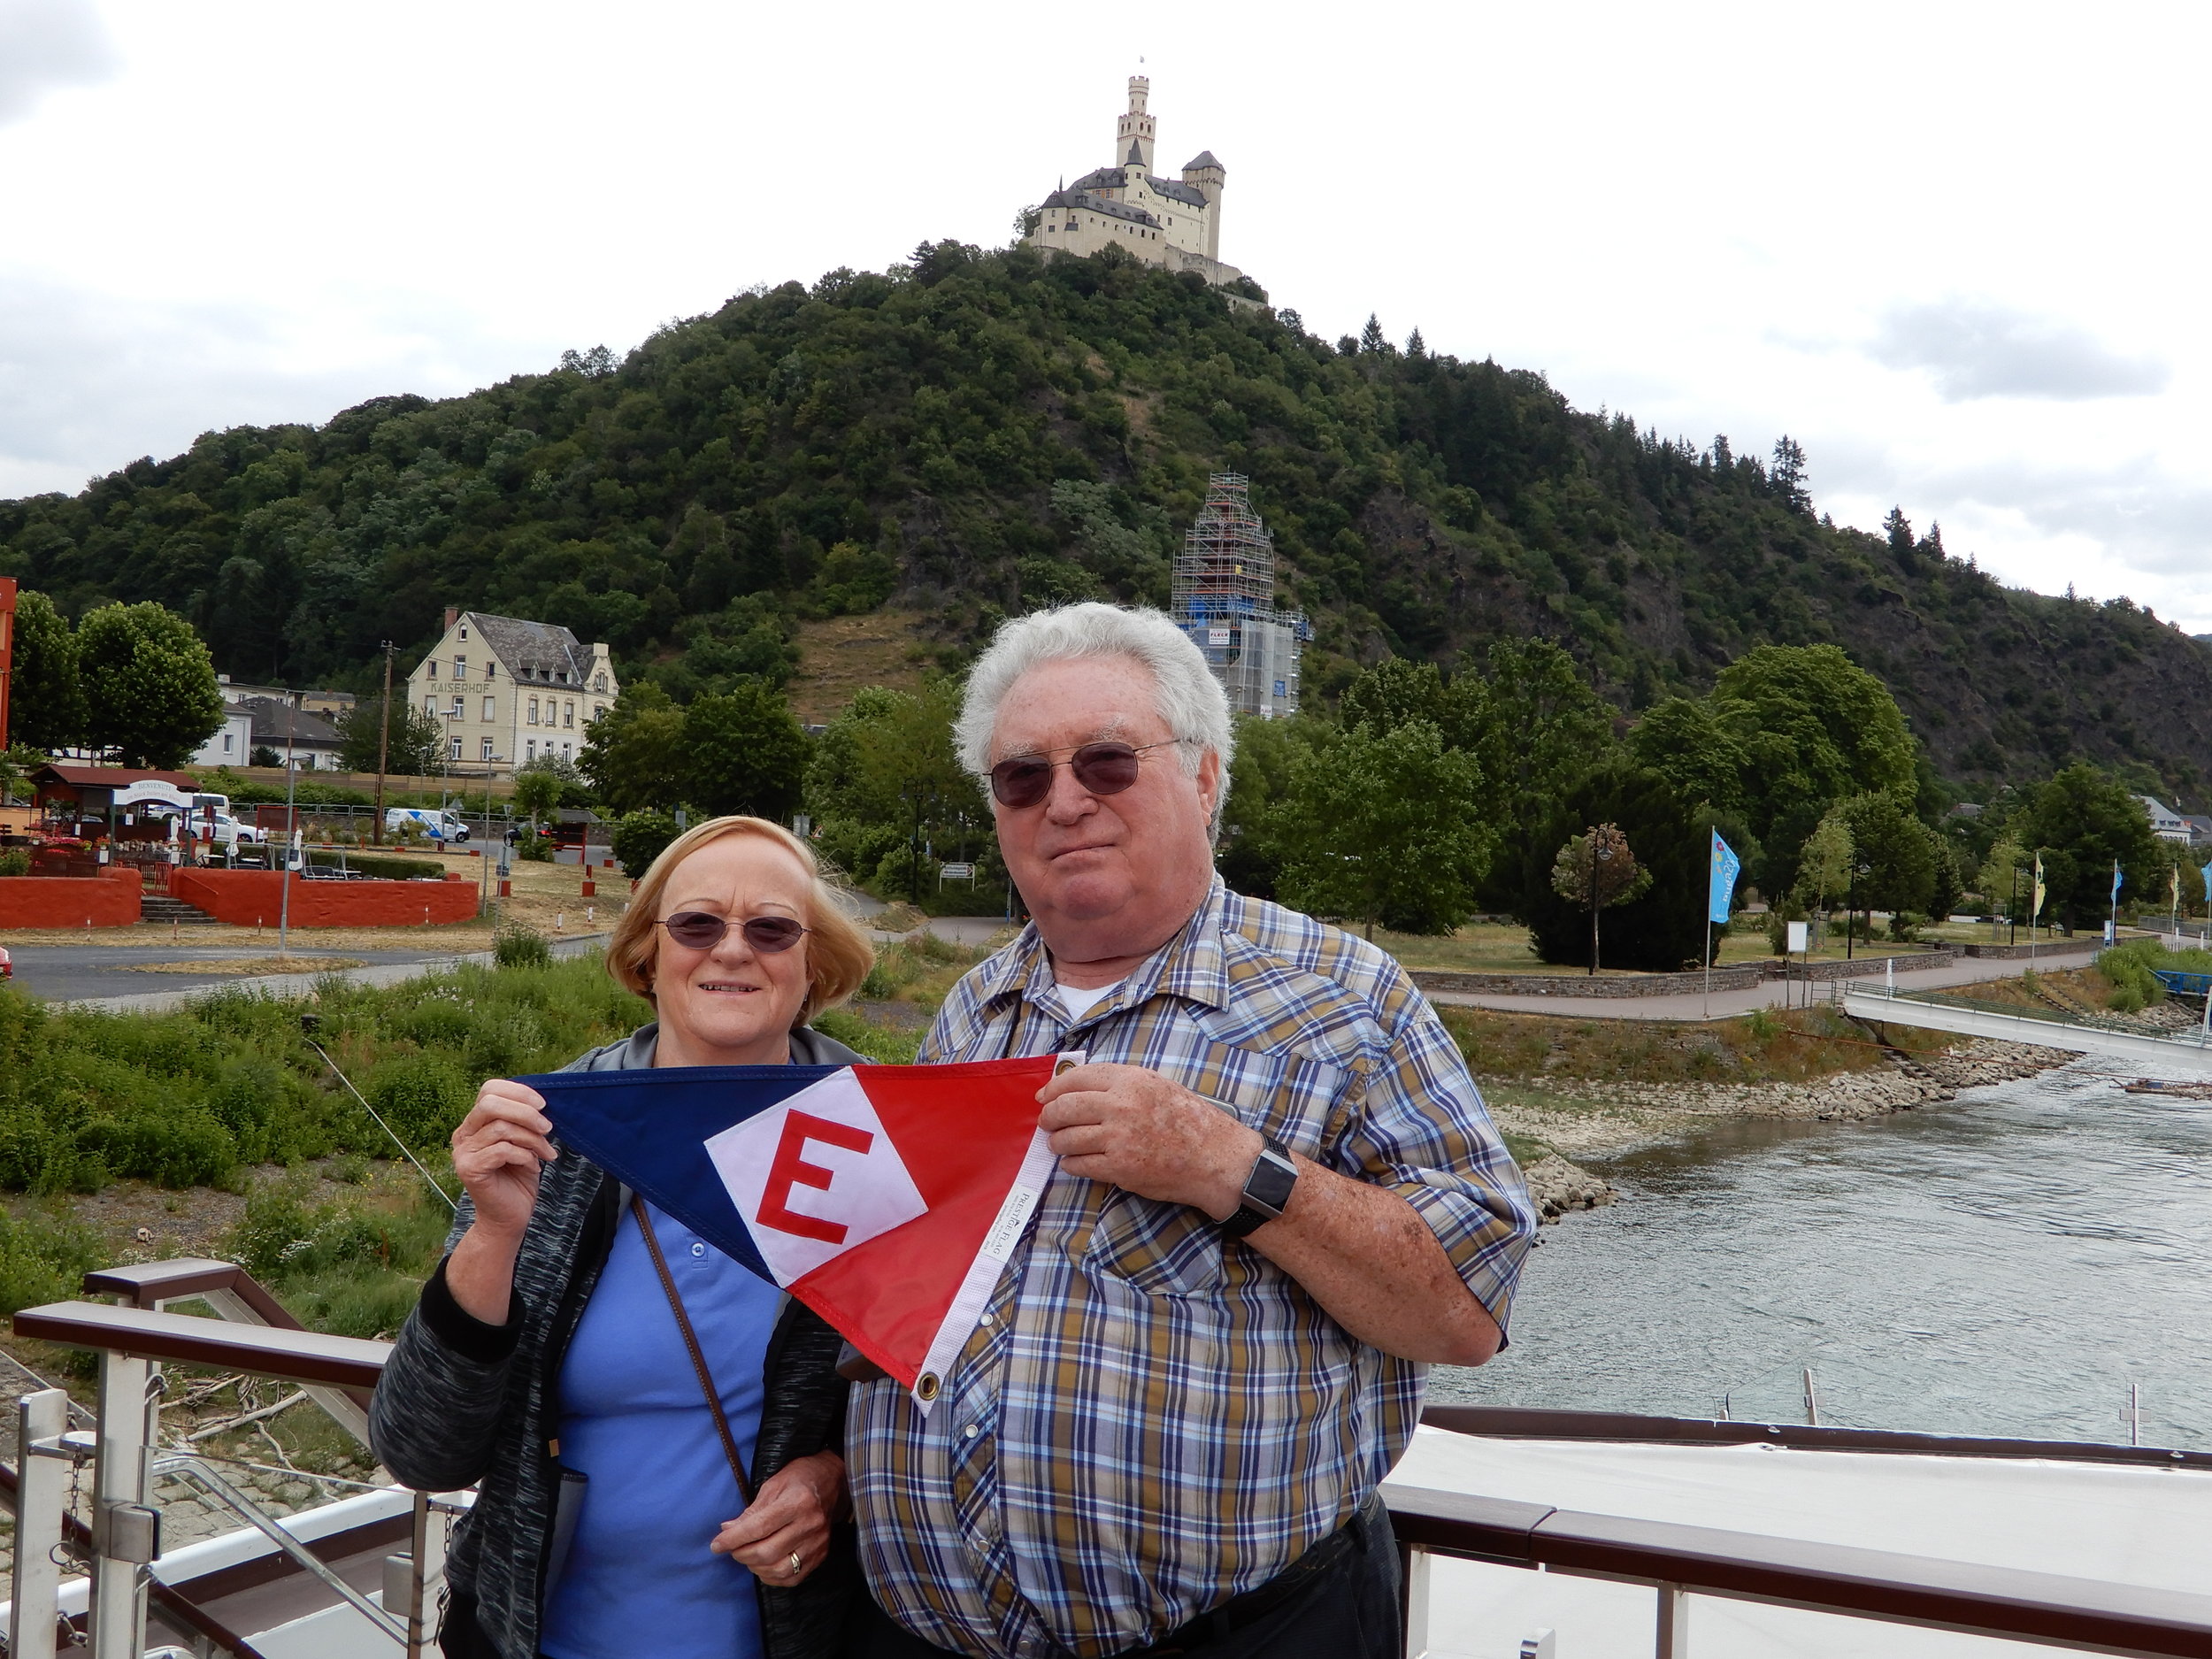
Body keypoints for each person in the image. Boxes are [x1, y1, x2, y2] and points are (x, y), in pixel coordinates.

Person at [850, 603, 1538, 1659]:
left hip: (1250, 1636)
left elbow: (1466, 1314)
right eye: (1022, 777)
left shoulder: (1347, 1000)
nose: (1065, 801)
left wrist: (1230, 1165)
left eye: (1109, 763)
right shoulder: (969, 1014)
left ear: (1206, 776)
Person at [371, 816, 879, 1659]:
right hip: (534, 1637)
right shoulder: (559, 1135)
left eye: (771, 928)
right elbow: (422, 1450)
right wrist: (495, 1233)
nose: (731, 949)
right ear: (648, 953)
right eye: (697, 923)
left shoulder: (869, 1147)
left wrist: (840, 1480)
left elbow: (935, 1402)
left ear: (812, 961)